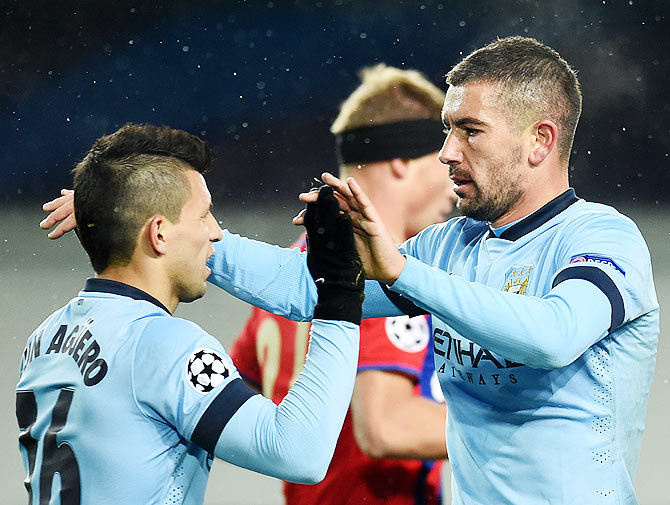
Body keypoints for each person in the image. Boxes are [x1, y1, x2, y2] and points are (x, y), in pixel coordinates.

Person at [40, 37, 660, 504]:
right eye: (446, 131)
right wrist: (160, 227)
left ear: (540, 141)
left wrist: (400, 272)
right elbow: (301, 289)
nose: (447, 152)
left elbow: (552, 337)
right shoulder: (452, 246)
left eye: (469, 131)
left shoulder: (603, 239)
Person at [20, 123, 366, 504]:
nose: (216, 233)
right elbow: (299, 453)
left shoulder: (44, 338)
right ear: (159, 234)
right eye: (204, 216)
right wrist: (339, 299)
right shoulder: (163, 344)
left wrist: (109, 208)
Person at [229, 64, 454, 505]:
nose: (455, 183)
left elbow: (238, 384)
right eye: (444, 158)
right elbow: (386, 427)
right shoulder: (373, 270)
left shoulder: (293, 265)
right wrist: (519, 428)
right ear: (402, 163)